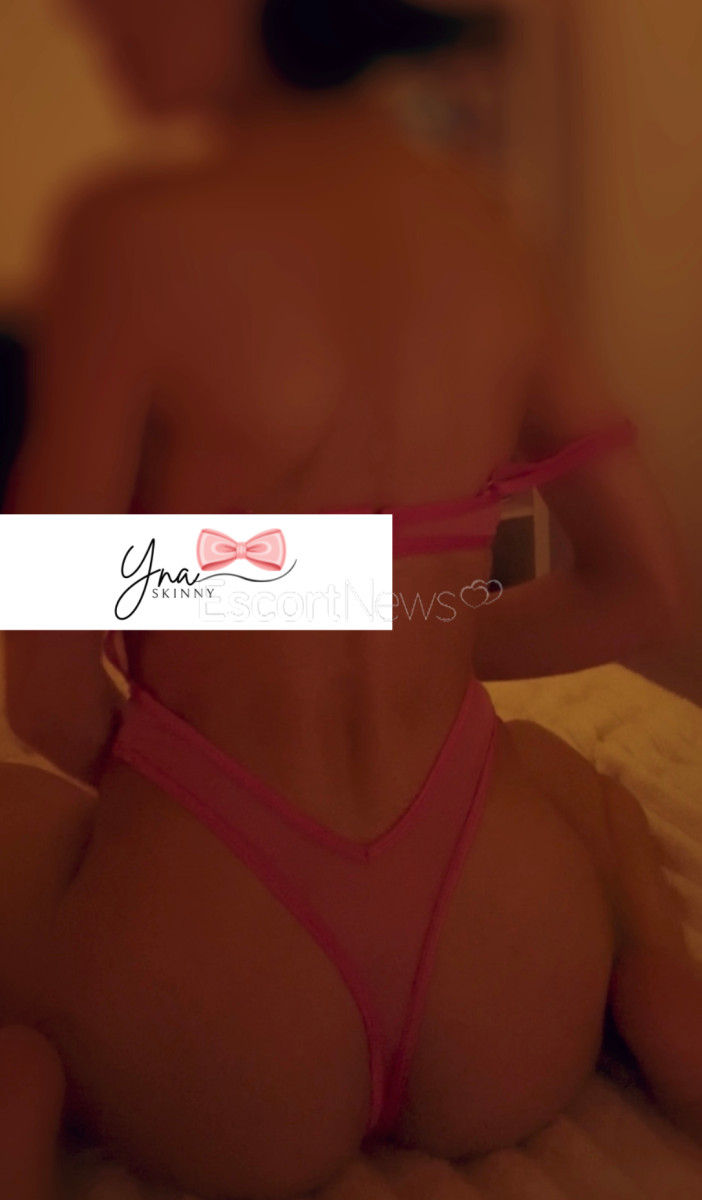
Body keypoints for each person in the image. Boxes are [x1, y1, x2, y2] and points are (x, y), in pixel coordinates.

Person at [1, 1, 700, 1196]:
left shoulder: (128, 236)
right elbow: (643, 591)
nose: (94, 18)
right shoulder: (486, 229)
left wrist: (173, 833)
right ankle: (665, 989)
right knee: (575, 784)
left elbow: (47, 684)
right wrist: (408, 620)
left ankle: (21, 1086)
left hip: (227, 1026)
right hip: (510, 989)